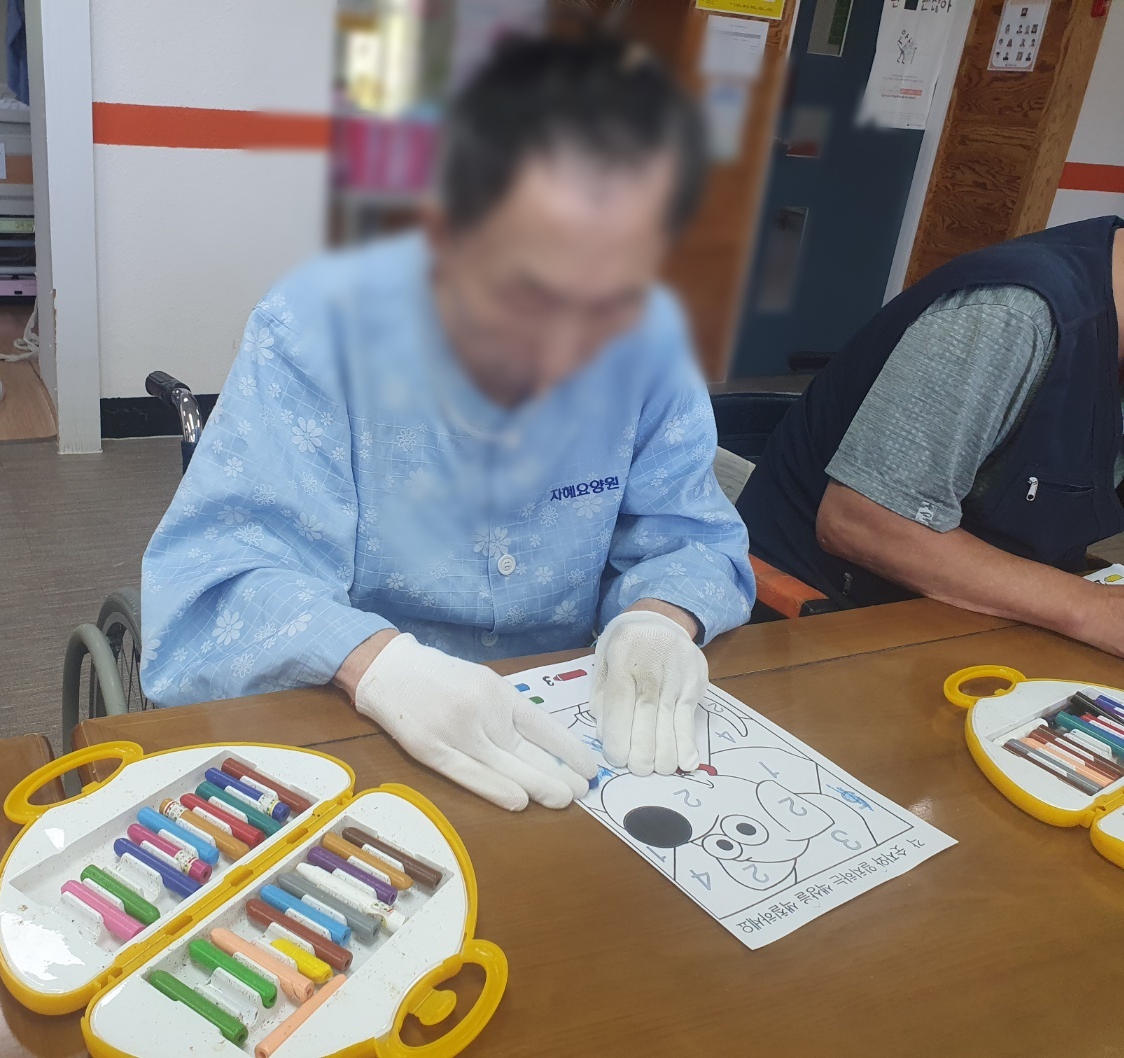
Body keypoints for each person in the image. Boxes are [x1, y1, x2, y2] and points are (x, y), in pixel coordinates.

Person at [142, 36, 755, 811]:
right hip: (354, 715)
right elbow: (220, 581)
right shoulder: (315, 331)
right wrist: (376, 663)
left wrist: (658, 621)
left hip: (565, 718)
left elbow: (685, 536)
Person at [738, 216, 1124, 657]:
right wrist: (1093, 609)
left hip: (978, 614)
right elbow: (861, 525)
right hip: (818, 617)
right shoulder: (1012, 316)